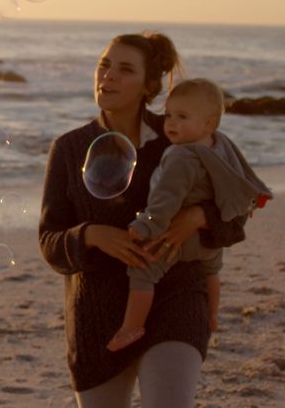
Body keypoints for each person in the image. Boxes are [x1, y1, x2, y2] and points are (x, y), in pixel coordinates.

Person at [38, 32, 248, 407]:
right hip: (97, 314)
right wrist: (91, 235)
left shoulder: (181, 140)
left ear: (149, 85)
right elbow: (50, 243)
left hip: (177, 296)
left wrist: (198, 217)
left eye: (124, 69)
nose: (109, 76)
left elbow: (238, 211)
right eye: (104, 65)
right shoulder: (69, 148)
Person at [107, 78, 272, 352]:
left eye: (182, 117)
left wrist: (146, 225)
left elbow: (165, 200)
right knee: (212, 271)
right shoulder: (220, 145)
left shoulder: (181, 157)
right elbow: (239, 176)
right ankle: (212, 315)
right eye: (169, 115)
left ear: (208, 124)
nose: (170, 123)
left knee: (143, 271)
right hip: (209, 241)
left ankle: (132, 327)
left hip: (179, 238)